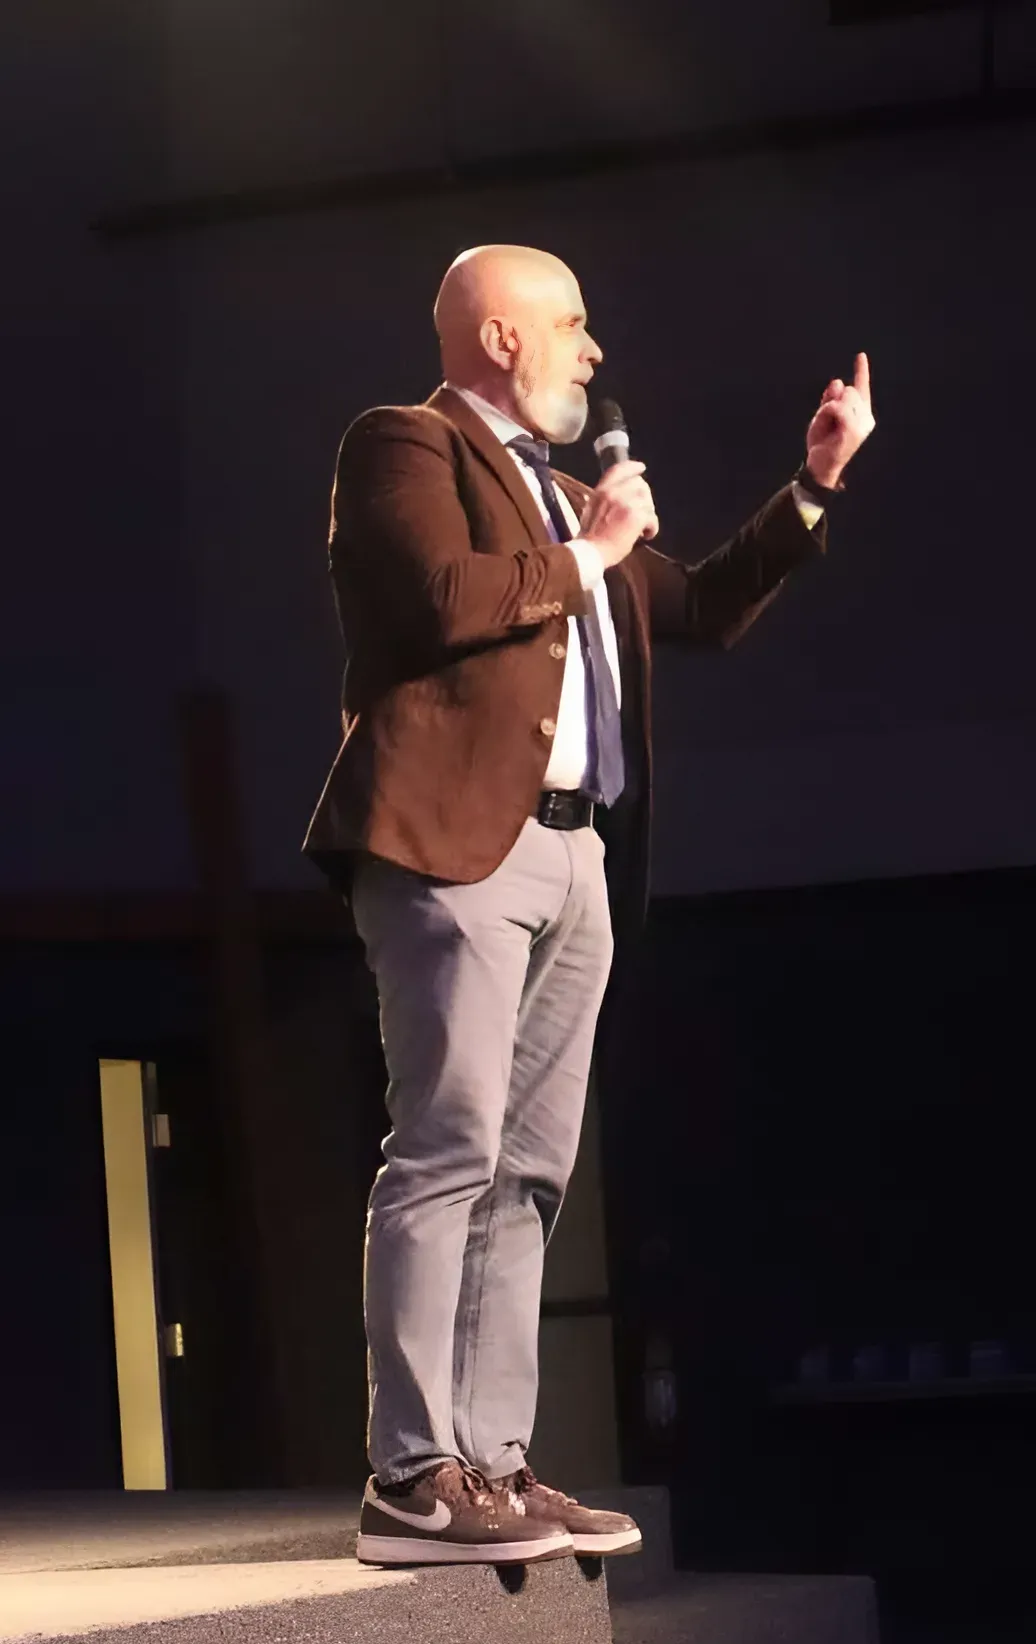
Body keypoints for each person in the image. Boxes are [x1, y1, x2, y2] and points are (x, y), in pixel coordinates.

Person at [304, 245, 875, 1566]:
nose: (594, 347)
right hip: (457, 842)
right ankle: (411, 1477)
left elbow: (702, 604)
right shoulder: (404, 444)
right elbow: (436, 598)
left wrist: (814, 483)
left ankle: (493, 1465)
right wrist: (589, 553)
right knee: (446, 1151)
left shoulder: (564, 497)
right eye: (571, 322)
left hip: (576, 856)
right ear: (502, 338)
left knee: (530, 1173)